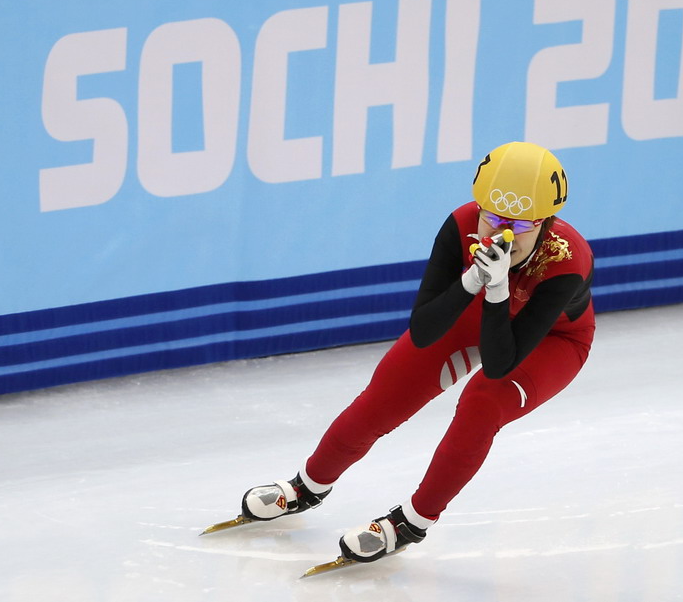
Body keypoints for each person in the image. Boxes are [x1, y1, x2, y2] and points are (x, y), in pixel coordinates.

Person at [238, 141, 596, 563]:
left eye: (520, 226)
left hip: (552, 341)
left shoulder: (567, 260)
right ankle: (307, 486)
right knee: (386, 393)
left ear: (546, 223)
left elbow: (501, 363)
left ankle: (413, 520)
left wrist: (499, 289)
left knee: (482, 404)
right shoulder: (461, 223)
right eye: (494, 218)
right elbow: (424, 332)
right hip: (477, 306)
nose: (502, 234)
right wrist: (472, 281)